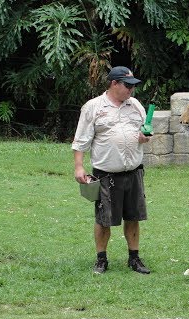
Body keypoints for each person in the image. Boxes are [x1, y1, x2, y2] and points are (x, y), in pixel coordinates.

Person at [72, 66, 151, 275]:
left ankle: (134, 258)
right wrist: (79, 167)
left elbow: (145, 131)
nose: (131, 91)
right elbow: (81, 140)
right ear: (113, 83)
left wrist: (145, 138)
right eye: (127, 86)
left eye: (133, 87)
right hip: (106, 174)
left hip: (134, 171)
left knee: (133, 217)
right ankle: (101, 259)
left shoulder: (135, 106)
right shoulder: (93, 107)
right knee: (103, 218)